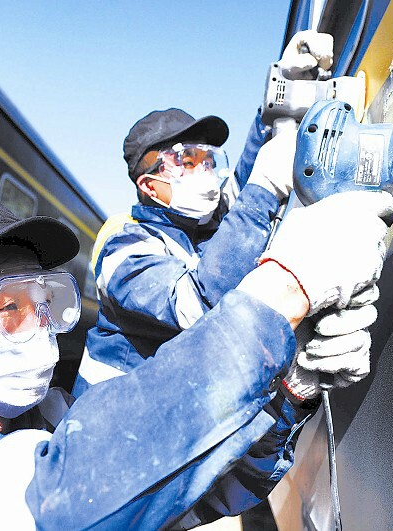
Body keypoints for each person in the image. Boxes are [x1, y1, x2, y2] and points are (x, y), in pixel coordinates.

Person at [0, 191, 393, 529]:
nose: (41, 327)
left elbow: (192, 491)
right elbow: (56, 507)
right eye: (10, 307)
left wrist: (291, 390)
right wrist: (281, 293)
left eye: (47, 301)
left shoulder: (52, 417)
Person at [73, 30, 359, 405]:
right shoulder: (123, 249)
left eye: (208, 160)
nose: (205, 172)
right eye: (186, 161)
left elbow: (246, 178)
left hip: (179, 418)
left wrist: (280, 93)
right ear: (151, 186)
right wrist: (265, 187)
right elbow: (199, 305)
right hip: (109, 425)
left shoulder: (203, 225)